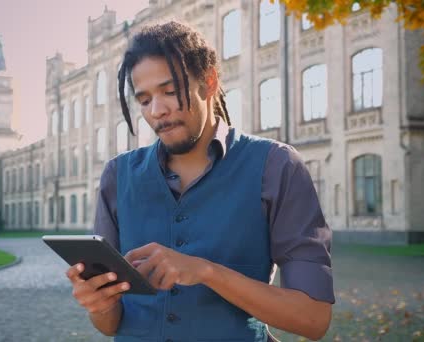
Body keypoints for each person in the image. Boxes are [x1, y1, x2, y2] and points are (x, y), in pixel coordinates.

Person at [65, 21, 334, 341]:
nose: (157, 110)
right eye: (145, 99)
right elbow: (109, 325)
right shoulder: (117, 177)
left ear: (208, 82)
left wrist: (207, 272)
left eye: (170, 91)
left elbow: (313, 318)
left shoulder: (277, 166)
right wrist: (99, 304)